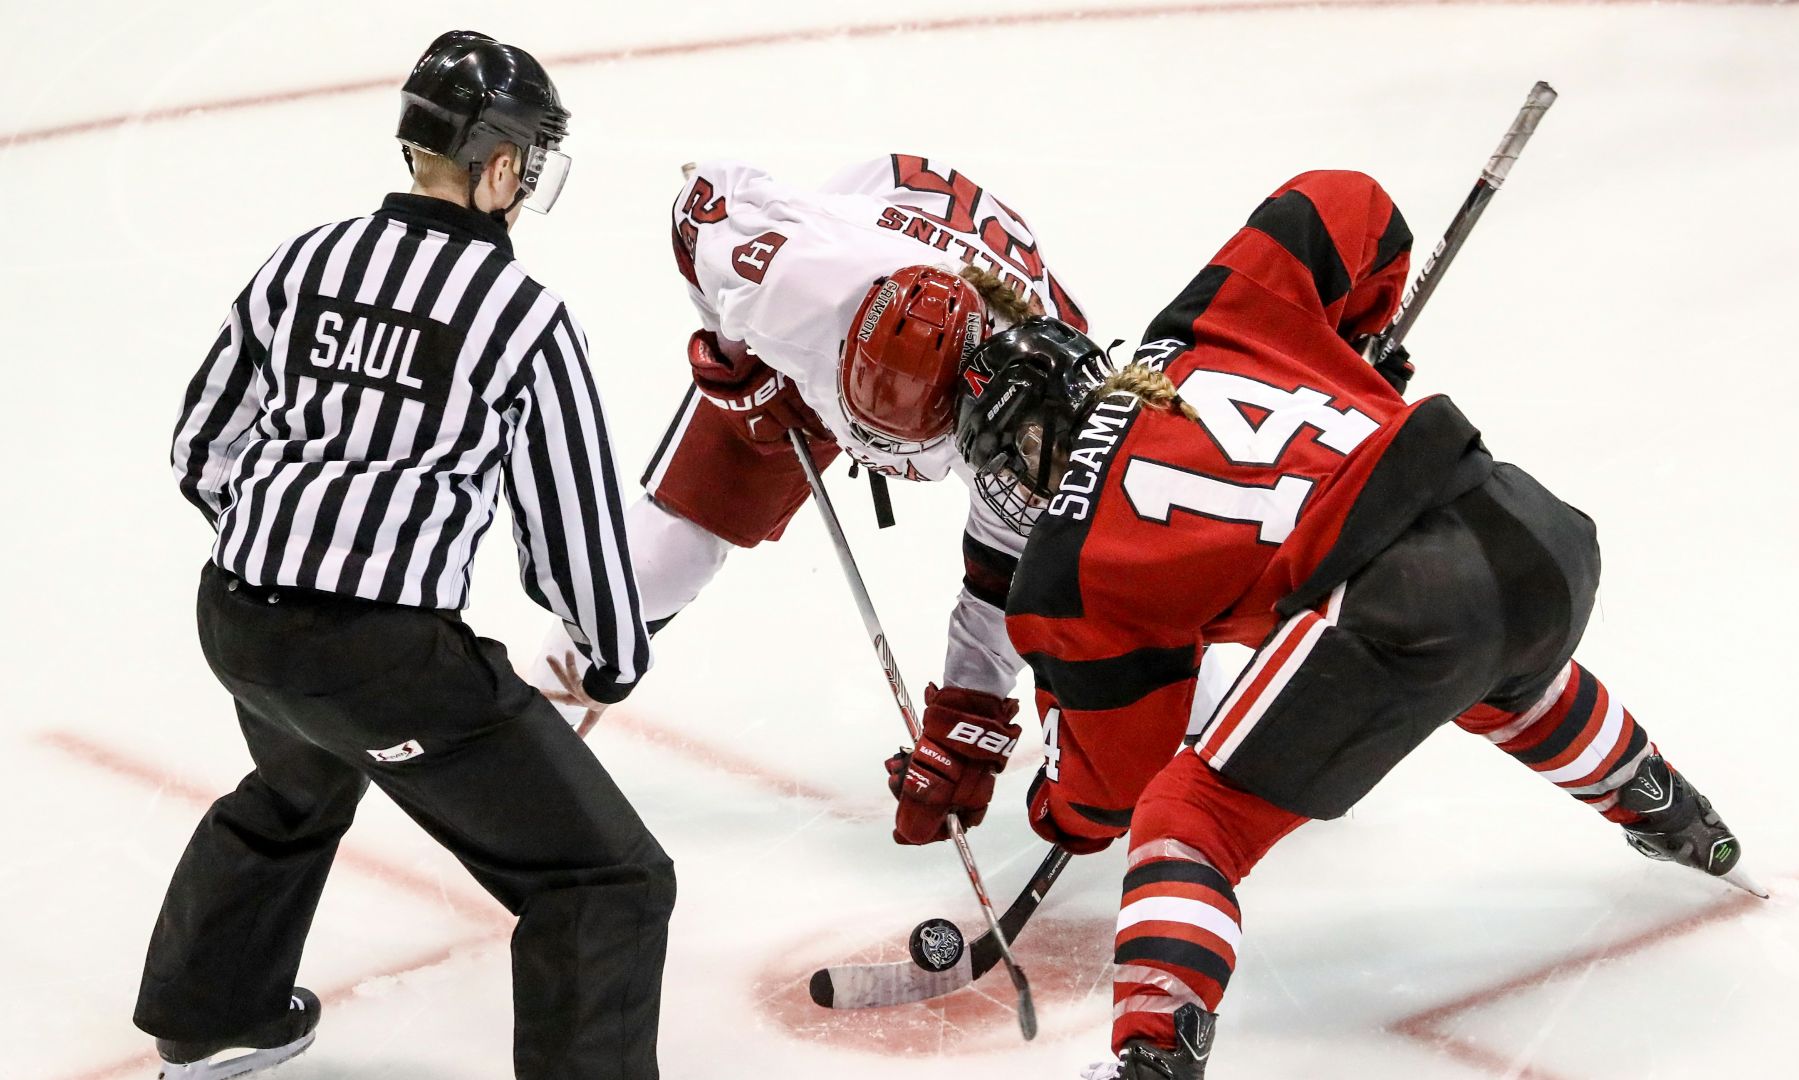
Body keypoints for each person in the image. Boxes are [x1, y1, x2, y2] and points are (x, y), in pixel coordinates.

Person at [948, 170, 1755, 1079]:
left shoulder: (1060, 566)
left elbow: (1115, 786)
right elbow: (1340, 203)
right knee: (1501, 677)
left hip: (1400, 604)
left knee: (1190, 813)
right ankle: (1670, 809)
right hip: (1530, 532)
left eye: (1010, 448)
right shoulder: (1204, 325)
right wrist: (1353, 339)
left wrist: (1057, 812)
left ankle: (1152, 1056)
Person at [144, 31, 675, 1079]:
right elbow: (568, 522)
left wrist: (286, 548)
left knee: (302, 780)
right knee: (605, 880)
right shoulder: (517, 314)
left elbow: (201, 445)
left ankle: (214, 1016)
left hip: (239, 622)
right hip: (384, 660)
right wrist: (613, 656)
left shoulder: (307, 260)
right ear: (505, 164)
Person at [533, 154, 1093, 843]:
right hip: (826, 330)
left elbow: (997, 582)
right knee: (652, 568)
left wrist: (965, 721)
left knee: (1072, 587)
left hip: (953, 348)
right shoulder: (799, 281)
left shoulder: (1028, 414)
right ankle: (522, 739)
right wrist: (737, 355)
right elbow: (703, 199)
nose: (858, 444)